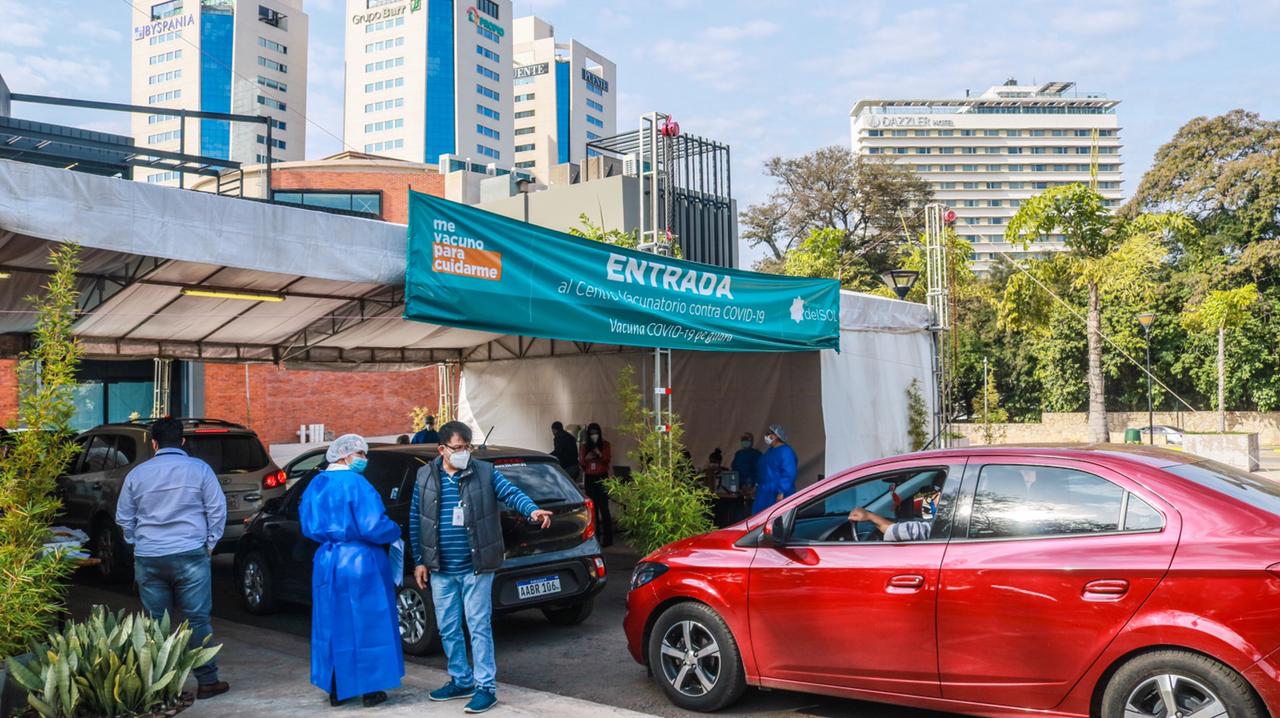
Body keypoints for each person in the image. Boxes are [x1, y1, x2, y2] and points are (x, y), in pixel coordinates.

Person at [410, 422, 553, 714]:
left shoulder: (484, 472)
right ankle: (461, 679)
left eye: (467, 447)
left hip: (476, 567)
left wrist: (532, 509)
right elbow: (417, 519)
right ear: (442, 449)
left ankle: (485, 687)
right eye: (458, 448)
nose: (464, 453)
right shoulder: (425, 475)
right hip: (440, 569)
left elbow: (511, 493)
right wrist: (419, 561)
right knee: (449, 628)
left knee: (478, 626)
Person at [114, 418, 229, 700]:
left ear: (153, 443)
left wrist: (137, 542)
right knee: (197, 620)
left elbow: (123, 517)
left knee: (156, 622)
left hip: (149, 556)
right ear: (182, 441)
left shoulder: (137, 475)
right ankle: (207, 681)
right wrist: (210, 544)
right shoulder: (200, 470)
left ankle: (161, 687)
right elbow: (217, 511)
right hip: (191, 553)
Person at [299, 434, 403, 708]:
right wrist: (395, 530)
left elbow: (306, 524)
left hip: (327, 560)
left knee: (331, 623)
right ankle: (370, 689)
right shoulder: (358, 484)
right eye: (360, 454)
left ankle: (336, 688)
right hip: (361, 559)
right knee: (368, 623)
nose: (364, 459)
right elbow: (373, 525)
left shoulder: (316, 484)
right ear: (345, 456)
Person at [579, 422, 614, 547]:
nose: (594, 436)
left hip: (601, 477)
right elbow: (582, 463)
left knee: (604, 508)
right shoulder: (584, 446)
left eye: (596, 433)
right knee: (593, 509)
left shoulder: (605, 444)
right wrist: (588, 457)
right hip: (590, 478)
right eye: (592, 433)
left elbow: (606, 459)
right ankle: (596, 537)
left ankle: (608, 538)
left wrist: (598, 453)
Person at [752, 424, 798, 516]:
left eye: (770, 433)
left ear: (776, 436)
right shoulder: (770, 451)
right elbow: (762, 470)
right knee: (759, 519)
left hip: (777, 493)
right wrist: (756, 485)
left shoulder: (786, 451)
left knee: (775, 520)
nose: (767, 435)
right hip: (764, 491)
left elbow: (789, 472)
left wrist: (781, 492)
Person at [731, 432, 762, 496]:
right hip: (739, 487)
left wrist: (754, 485)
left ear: (751, 442)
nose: (745, 441)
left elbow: (760, 471)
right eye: (743, 440)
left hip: (752, 487)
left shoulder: (756, 454)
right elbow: (734, 469)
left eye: (747, 440)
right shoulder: (738, 454)